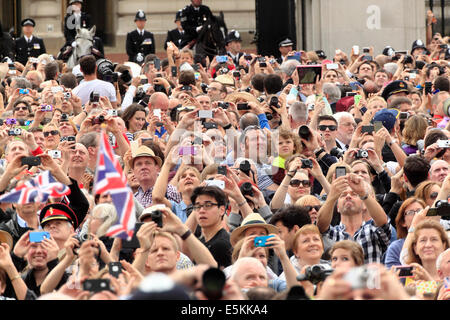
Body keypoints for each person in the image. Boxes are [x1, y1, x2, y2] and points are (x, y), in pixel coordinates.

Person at [317, 173, 391, 264]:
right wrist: (332, 196)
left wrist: (362, 193)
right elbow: (321, 225)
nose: (348, 196)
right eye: (343, 195)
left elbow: (383, 222)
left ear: (364, 205)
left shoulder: (372, 231)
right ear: (338, 208)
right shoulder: (332, 234)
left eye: (354, 194)